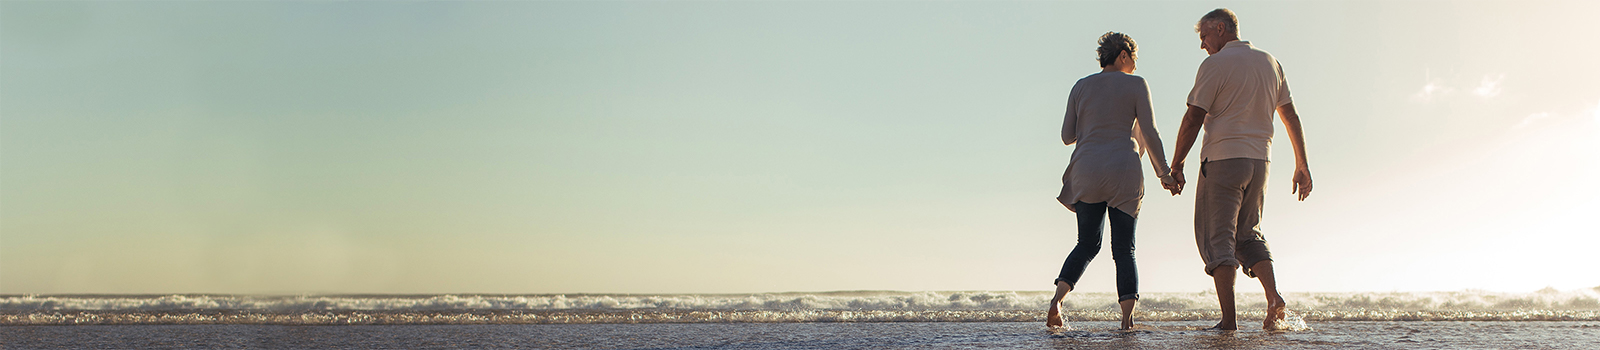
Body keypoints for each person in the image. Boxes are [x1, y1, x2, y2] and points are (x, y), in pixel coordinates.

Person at [1165, 8, 1315, 331]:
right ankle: (1273, 297)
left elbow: (1192, 118)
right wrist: (1301, 163)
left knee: (1217, 239)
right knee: (1249, 234)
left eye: (1204, 36)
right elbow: (1290, 116)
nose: (1202, 45)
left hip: (1222, 161)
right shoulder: (1270, 63)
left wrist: (1176, 164)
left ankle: (1228, 321)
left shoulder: (1214, 65)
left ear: (1221, 29)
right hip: (1260, 163)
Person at [1046, 32, 1180, 330]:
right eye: (1133, 58)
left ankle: (1057, 300)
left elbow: (1068, 136)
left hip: (1086, 170)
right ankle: (1127, 319)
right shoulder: (1136, 84)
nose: (1134, 64)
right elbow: (1151, 131)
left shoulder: (1080, 86)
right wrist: (1165, 173)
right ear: (1123, 55)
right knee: (1123, 249)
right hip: (1123, 170)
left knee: (1086, 243)